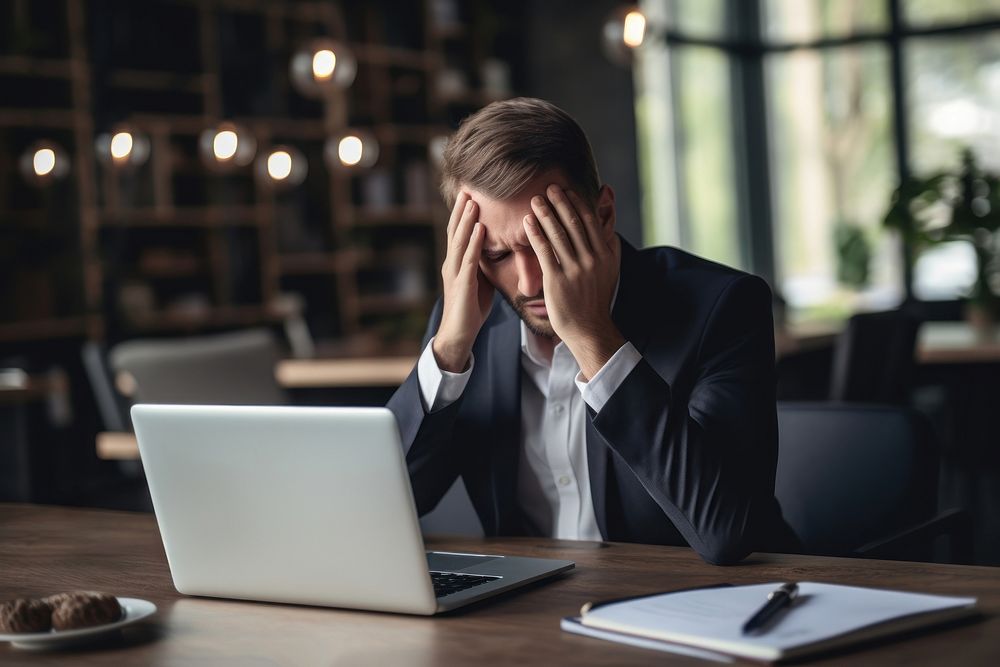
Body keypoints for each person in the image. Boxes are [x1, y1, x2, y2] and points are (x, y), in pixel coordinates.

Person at [387, 97, 796, 565]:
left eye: (547, 240)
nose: (528, 282)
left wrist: (591, 336)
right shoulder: (465, 322)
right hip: (531, 618)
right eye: (498, 256)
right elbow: (383, 509)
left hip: (718, 608)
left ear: (603, 215)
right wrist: (449, 349)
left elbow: (726, 530)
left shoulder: (722, 307)